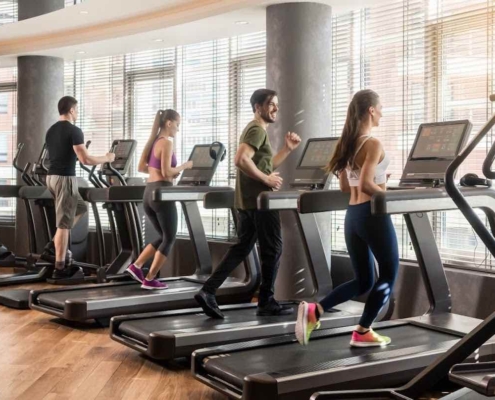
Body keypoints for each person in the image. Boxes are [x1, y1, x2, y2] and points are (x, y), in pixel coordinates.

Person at [296, 89, 399, 347]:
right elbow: (365, 184)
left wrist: (380, 181)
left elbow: (346, 186)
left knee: (363, 280)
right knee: (388, 274)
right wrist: (391, 197)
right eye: (381, 108)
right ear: (371, 110)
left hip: (352, 216)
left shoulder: (348, 144)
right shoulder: (372, 143)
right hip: (372, 215)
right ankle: (363, 330)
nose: (382, 113)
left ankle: (315, 311)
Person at [194, 88, 301, 318]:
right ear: (258, 107)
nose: (276, 108)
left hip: (248, 202)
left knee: (242, 247)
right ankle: (266, 301)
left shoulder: (255, 130)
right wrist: (266, 180)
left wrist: (286, 150)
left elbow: (263, 165)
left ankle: (208, 290)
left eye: (276, 104)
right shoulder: (256, 129)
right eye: (271, 104)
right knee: (273, 248)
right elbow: (241, 159)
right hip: (260, 203)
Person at [46, 96, 115, 280]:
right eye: (76, 110)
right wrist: (107, 158)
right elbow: (86, 159)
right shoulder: (74, 131)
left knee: (80, 208)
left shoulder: (51, 130)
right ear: (71, 110)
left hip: (51, 177)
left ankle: (54, 245)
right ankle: (60, 268)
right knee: (64, 223)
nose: (77, 113)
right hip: (64, 179)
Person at [125, 109, 193, 290]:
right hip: (162, 194)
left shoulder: (153, 142)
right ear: (169, 123)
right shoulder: (167, 143)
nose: (178, 129)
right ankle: (150, 278)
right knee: (170, 238)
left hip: (148, 193)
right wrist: (185, 166)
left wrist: (158, 173)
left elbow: (142, 167)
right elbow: (167, 172)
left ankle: (136, 265)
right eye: (177, 124)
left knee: (163, 236)